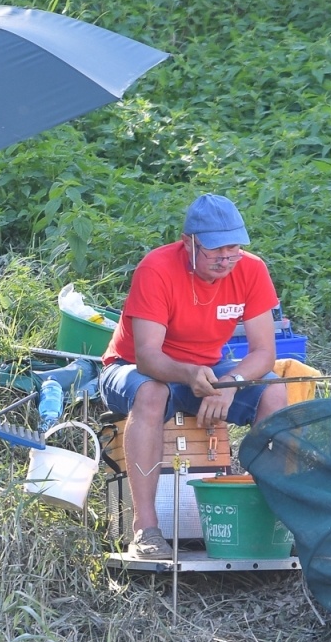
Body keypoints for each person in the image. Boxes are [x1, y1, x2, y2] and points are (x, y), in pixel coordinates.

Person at [98, 194, 288, 558]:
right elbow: (149, 358)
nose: (226, 258)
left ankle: (263, 512)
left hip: (205, 371)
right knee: (152, 392)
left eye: (234, 247)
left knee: (274, 393)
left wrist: (228, 385)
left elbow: (265, 353)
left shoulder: (251, 270)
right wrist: (192, 374)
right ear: (188, 242)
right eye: (216, 249)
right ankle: (146, 530)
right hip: (132, 368)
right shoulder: (156, 269)